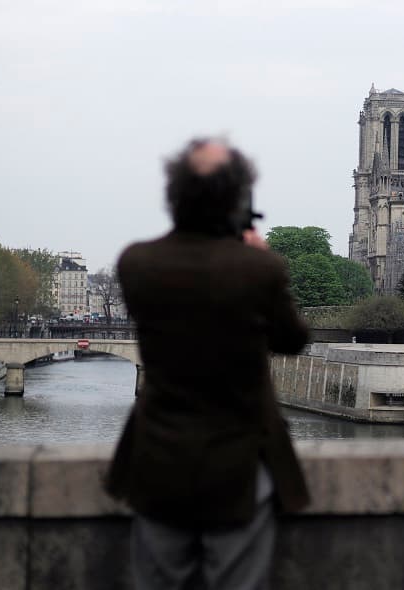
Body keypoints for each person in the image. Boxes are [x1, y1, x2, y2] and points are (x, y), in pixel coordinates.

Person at [105, 137, 310, 590]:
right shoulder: (258, 270)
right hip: (239, 466)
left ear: (174, 194)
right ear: (237, 198)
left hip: (157, 459)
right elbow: (293, 340)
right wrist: (257, 258)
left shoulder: (137, 263)